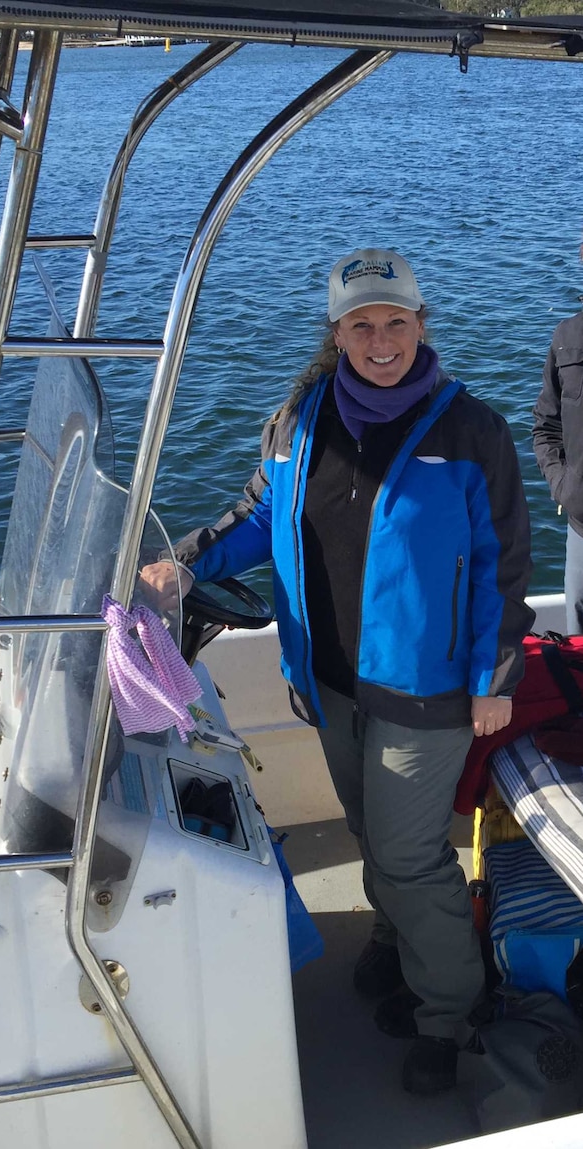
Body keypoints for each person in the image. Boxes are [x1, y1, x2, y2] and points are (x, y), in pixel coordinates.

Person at [142, 248, 534, 1095]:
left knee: (407, 854)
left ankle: (450, 1012)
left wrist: (494, 676)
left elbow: (506, 564)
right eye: (362, 323)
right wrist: (183, 562)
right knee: (372, 832)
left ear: (423, 326)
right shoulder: (299, 416)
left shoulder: (473, 429)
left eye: (397, 320)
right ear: (337, 333)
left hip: (428, 691)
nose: (381, 338)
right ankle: (396, 941)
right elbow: (256, 515)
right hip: (326, 679)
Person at [532, 246, 583, 635]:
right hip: (580, 527)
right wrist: (562, 486)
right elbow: (546, 425)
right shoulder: (566, 336)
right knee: (577, 639)